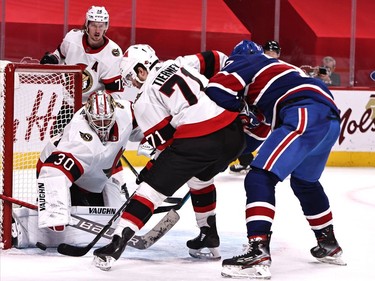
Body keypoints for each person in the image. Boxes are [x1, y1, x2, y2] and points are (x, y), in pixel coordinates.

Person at [92, 44, 246, 271]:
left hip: (199, 140)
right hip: (233, 135)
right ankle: (208, 235)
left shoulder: (144, 101)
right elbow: (215, 57)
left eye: (132, 79)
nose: (133, 85)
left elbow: (168, 143)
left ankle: (116, 244)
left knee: (150, 190)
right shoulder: (181, 62)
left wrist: (152, 169)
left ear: (141, 70)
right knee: (200, 178)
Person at [205, 40, 346, 279]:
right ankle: (329, 244)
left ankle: (257, 250)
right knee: (304, 182)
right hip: (328, 118)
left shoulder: (246, 60)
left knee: (259, 177)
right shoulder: (279, 75)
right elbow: (257, 138)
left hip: (303, 111)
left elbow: (215, 90)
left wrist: (239, 109)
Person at [37, 91, 142, 231]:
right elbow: (52, 172)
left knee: (114, 217)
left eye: (107, 120)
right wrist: (54, 215)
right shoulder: (79, 141)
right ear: (88, 116)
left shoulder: (125, 112)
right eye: (98, 121)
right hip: (67, 173)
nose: (103, 126)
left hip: (100, 168)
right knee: (80, 214)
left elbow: (145, 124)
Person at [40, 6, 124, 103]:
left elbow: (114, 92)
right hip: (69, 102)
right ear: (87, 25)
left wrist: (100, 106)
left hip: (94, 108)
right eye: (93, 25)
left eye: (101, 25)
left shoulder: (112, 54)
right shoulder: (72, 38)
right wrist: (53, 58)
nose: (97, 30)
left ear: (106, 26)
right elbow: (60, 54)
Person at [229, 40, 281, 174]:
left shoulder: (275, 70)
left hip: (258, 124)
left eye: (273, 53)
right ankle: (247, 162)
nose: (270, 56)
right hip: (252, 123)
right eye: (267, 53)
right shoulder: (258, 68)